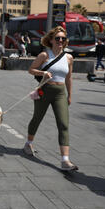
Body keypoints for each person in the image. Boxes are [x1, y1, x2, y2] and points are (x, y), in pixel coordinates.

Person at [25, 26, 78, 171]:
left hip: (60, 93)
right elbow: (30, 70)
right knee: (37, 118)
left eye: (63, 38)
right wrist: (43, 73)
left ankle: (65, 160)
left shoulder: (69, 58)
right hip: (44, 91)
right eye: (58, 38)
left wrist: (70, 95)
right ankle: (28, 143)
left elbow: (69, 77)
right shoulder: (44, 55)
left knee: (63, 124)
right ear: (51, 40)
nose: (60, 41)